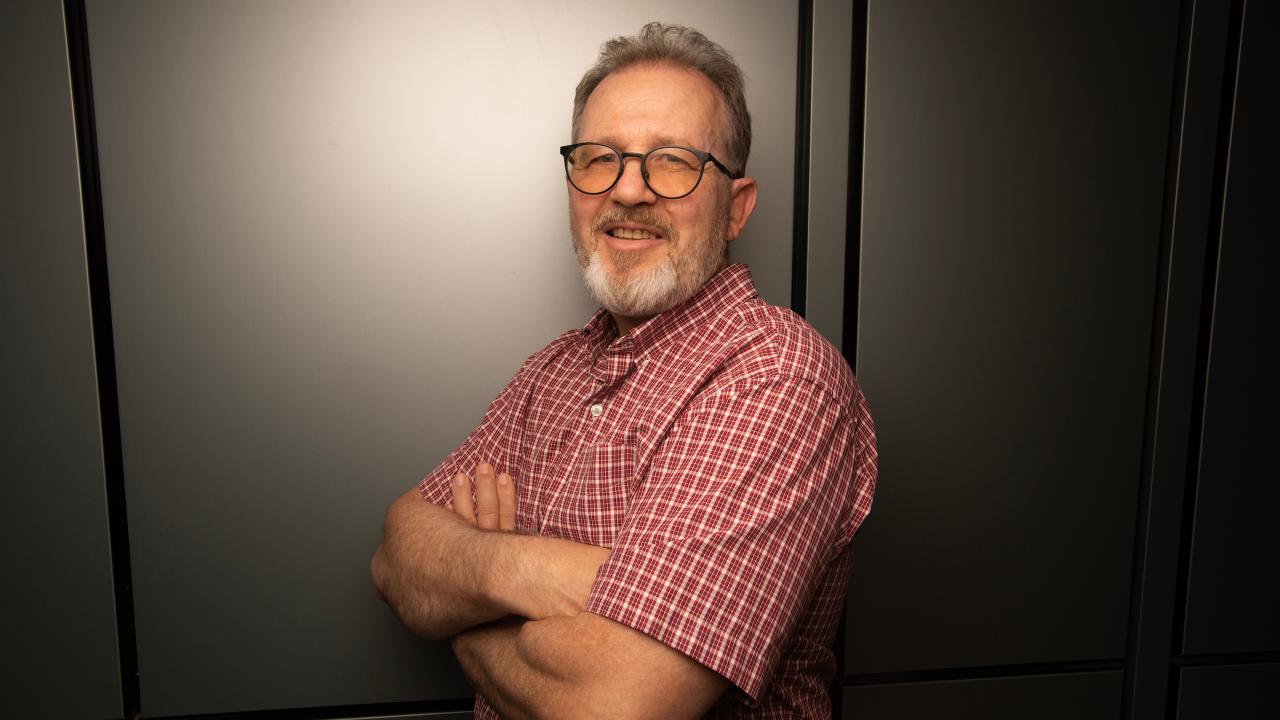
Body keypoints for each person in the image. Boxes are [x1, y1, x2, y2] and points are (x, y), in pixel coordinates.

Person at [370, 22, 877, 719]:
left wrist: (469, 600)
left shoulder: (777, 377)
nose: (629, 191)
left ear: (737, 206)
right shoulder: (548, 375)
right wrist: (540, 571)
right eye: (599, 157)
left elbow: (612, 706)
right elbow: (398, 554)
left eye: (672, 161)